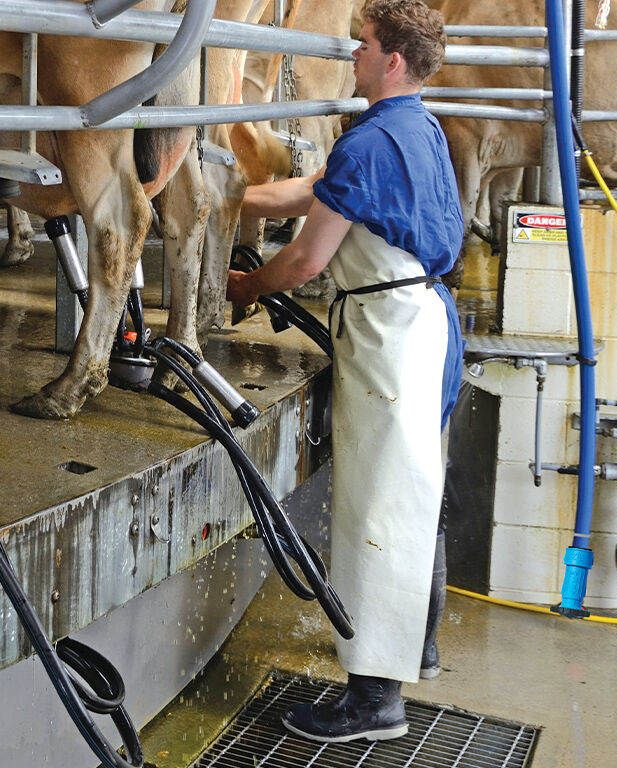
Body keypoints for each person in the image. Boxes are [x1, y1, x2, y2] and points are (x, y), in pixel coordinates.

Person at [227, 0, 465, 744]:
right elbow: (316, 194)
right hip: (422, 320)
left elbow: (306, 259)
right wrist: (228, 196)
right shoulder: (415, 126)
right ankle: (412, 650)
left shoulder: (371, 141)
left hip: (388, 336)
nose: (352, 56)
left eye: (361, 46)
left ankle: (374, 703)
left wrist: (247, 287)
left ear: (392, 60)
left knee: (381, 508)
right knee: (413, 497)